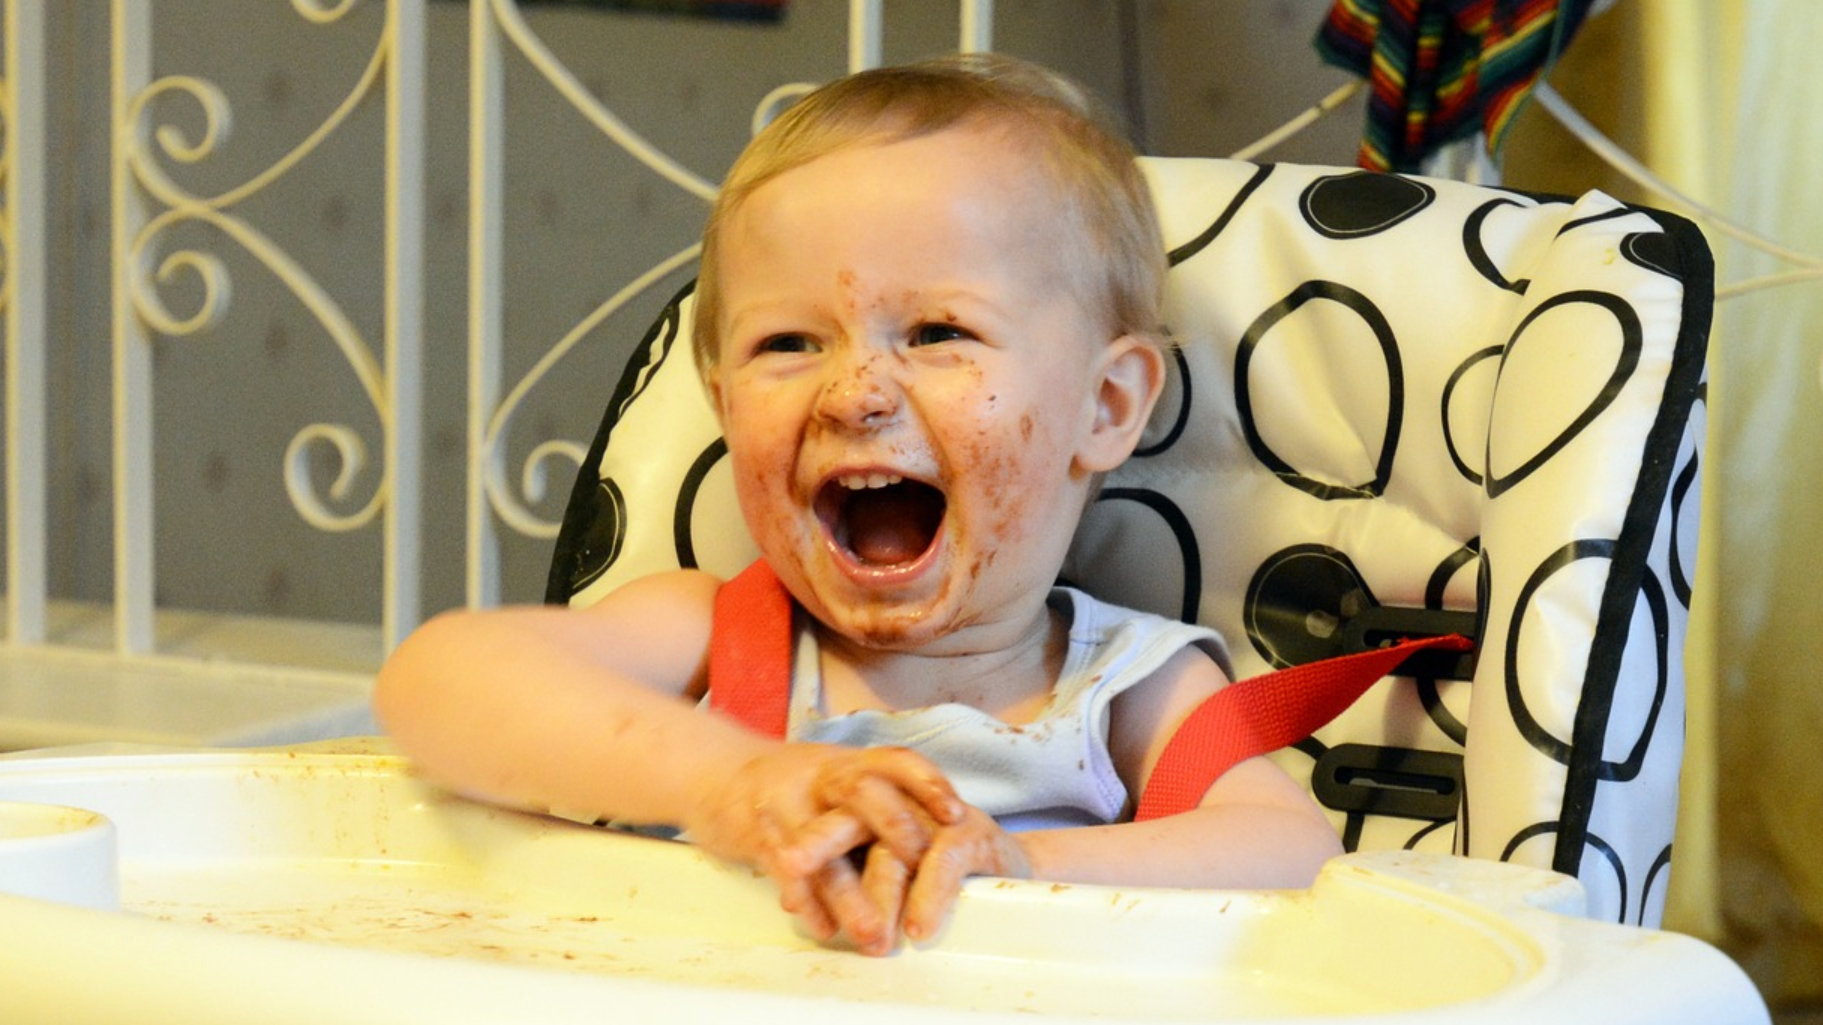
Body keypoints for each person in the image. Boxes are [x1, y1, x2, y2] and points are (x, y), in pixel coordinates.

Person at [374, 52, 1342, 958]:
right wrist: (730, 780)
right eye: (788, 344)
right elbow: (433, 685)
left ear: (1105, 405)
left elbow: (1295, 854)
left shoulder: (1124, 687)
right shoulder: (715, 638)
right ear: (722, 402)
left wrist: (1017, 865)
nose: (855, 393)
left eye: (936, 331)